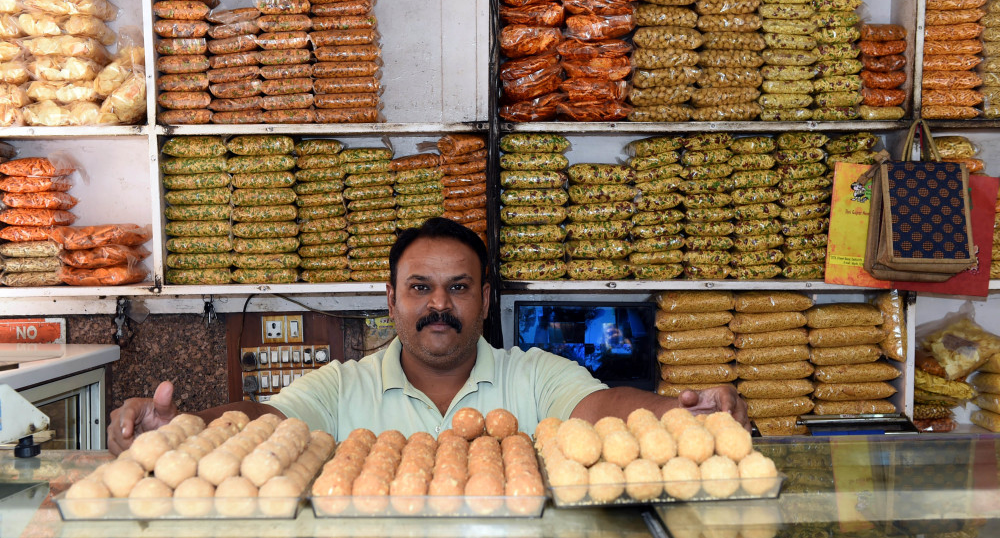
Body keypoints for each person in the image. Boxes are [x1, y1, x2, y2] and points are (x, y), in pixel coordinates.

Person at [108, 218, 748, 454]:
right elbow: (262, 419)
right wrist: (187, 426)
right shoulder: (343, 387)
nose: (439, 305)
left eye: (459, 288)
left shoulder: (532, 375)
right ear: (390, 300)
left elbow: (604, 409)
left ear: (485, 300)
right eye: (419, 288)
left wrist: (685, 412)